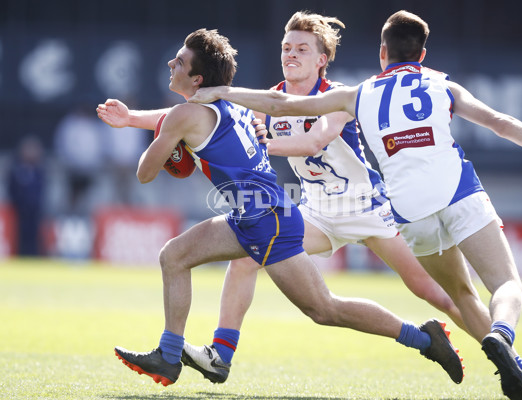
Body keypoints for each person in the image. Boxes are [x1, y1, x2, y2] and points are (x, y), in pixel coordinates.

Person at [189, 11, 522, 400]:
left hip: (371, 207)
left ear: (322, 59)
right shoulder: (269, 101)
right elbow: (224, 121)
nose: (290, 54)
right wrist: (139, 120)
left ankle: (516, 366)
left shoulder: (341, 96)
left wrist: (260, 141)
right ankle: (220, 355)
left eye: (301, 49)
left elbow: (313, 142)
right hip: (319, 210)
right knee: (247, 255)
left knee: (439, 295)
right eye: (286, 47)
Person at [96, 27, 464, 388]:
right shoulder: (233, 105)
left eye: (179, 61)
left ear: (198, 78)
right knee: (174, 255)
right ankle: (176, 353)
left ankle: (425, 339)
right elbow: (175, 119)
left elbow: (146, 171)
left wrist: (167, 143)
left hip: (291, 216)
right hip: (260, 214)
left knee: (324, 309)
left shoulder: (192, 116)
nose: (170, 64)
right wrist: (134, 120)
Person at [7, 135, 45, 256]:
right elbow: (12, 190)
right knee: (18, 235)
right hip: (19, 211)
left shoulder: (40, 171)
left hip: (35, 212)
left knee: (34, 236)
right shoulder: (16, 170)